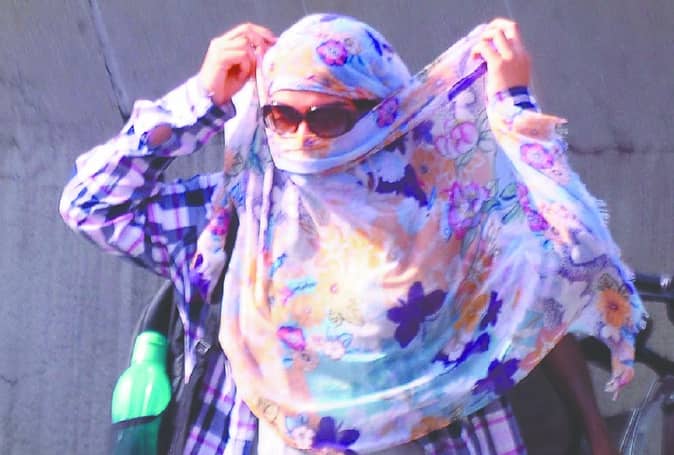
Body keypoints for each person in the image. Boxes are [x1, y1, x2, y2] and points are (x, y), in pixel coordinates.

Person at [61, 14, 643, 454]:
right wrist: (201, 99)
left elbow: (567, 265)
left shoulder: (449, 216)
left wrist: (513, 108)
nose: (303, 138)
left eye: (329, 116)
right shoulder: (240, 215)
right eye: (282, 115)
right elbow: (92, 205)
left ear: (384, 114)